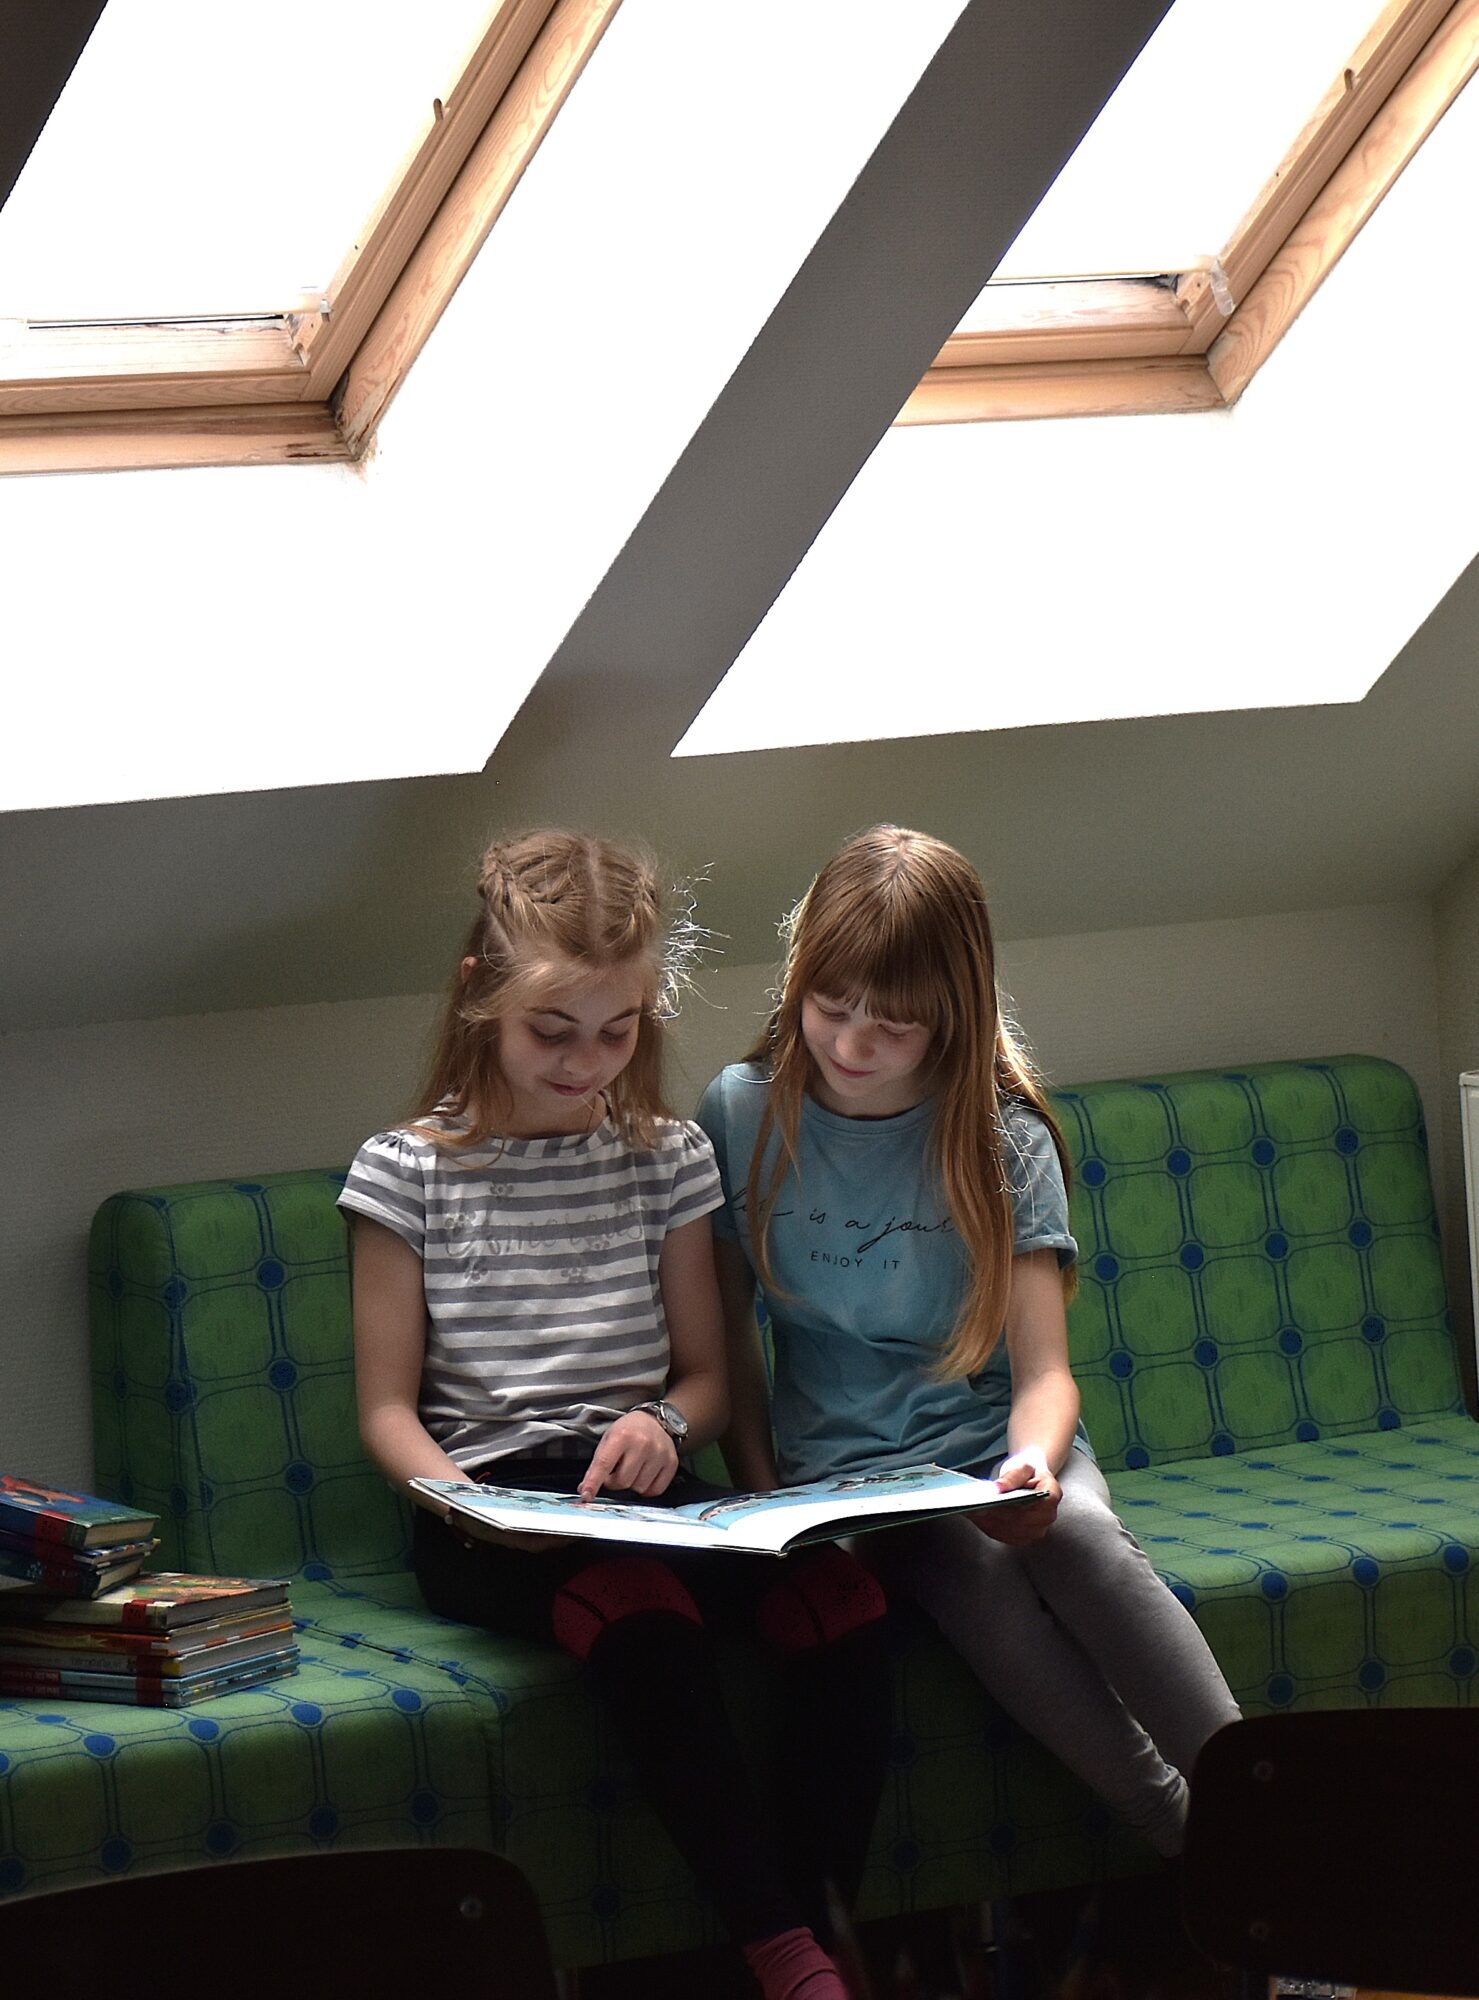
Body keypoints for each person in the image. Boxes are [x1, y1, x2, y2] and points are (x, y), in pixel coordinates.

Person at [338, 830, 890, 2000]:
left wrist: (665, 1426)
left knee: (840, 1596)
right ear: (481, 993)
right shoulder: (405, 1170)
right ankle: (784, 1955)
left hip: (643, 1488)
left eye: (617, 1029)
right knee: (638, 1604)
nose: (586, 1060)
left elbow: (708, 1376)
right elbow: (385, 1409)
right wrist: (470, 1504)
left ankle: (817, 1928)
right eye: (553, 1029)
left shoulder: (664, 1156)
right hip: (485, 1510)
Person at [697, 825, 1240, 1862]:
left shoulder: (999, 1135)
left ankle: (1272, 1816)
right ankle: (1186, 1840)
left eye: (893, 1025)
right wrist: (761, 1497)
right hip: (847, 1483)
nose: (852, 1044)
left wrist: (1030, 1465)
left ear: (952, 1014)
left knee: (1076, 1536)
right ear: (798, 977)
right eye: (830, 1007)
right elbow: (728, 1337)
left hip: (996, 1450)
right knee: (967, 1570)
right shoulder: (741, 1111)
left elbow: (1045, 1375)